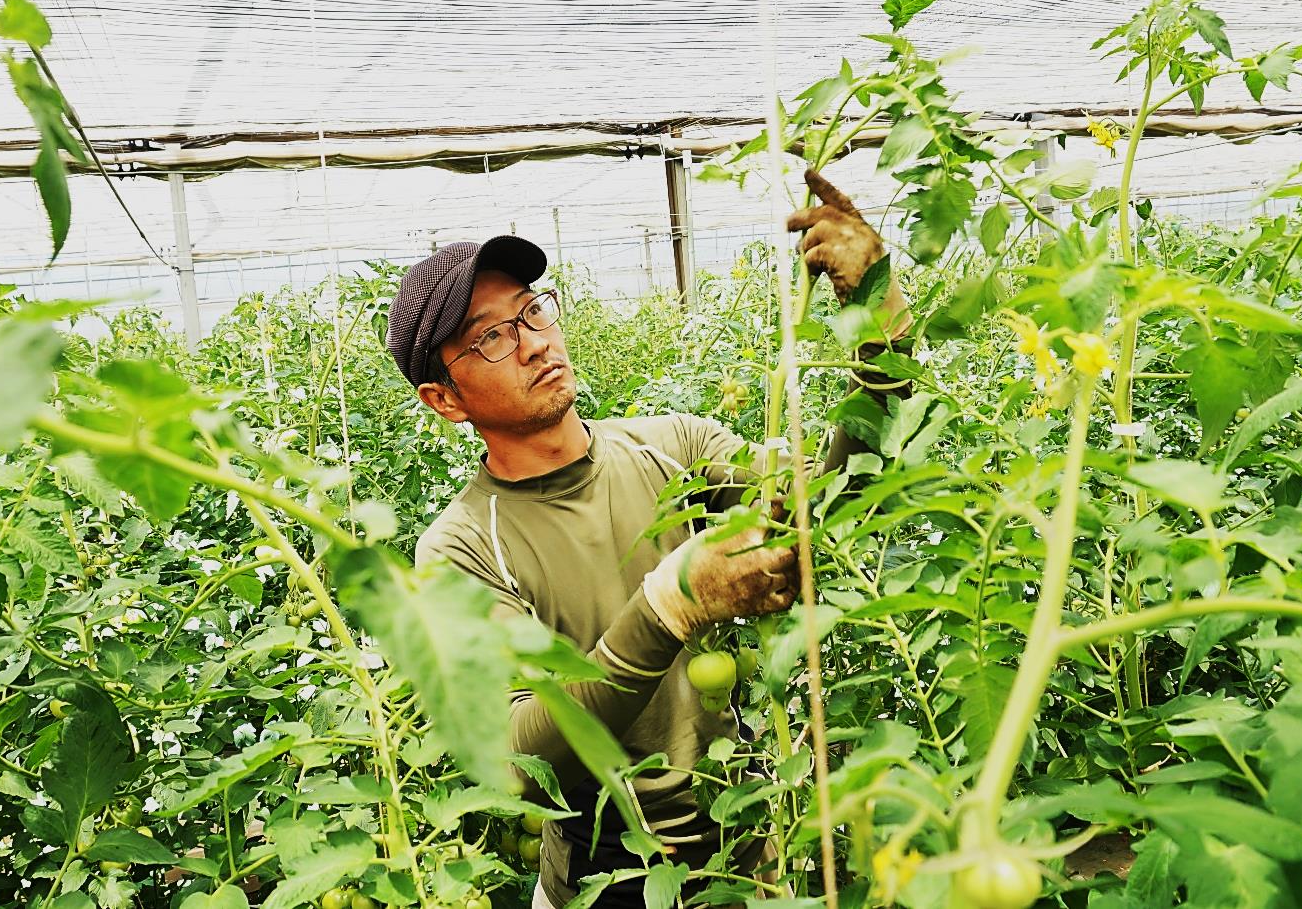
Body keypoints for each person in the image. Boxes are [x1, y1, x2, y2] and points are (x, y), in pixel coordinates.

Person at [385, 170, 911, 908]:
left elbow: (818, 508)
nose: (534, 342)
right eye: (492, 337)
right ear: (444, 400)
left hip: (750, 841)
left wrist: (883, 335)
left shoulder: (676, 447)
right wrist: (668, 607)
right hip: (610, 877)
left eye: (533, 311)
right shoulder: (461, 549)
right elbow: (512, 757)